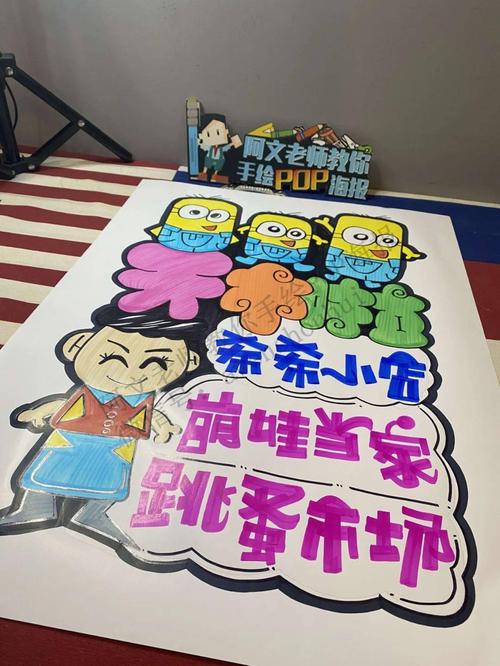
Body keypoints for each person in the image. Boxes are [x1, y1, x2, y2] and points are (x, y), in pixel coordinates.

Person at [0, 305, 202, 549]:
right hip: (69, 443)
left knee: (108, 484)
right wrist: (38, 411)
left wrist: (164, 427)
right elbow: (62, 404)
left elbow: (153, 417)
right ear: (77, 346)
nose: (131, 373)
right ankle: (34, 509)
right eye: (111, 357)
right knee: (45, 474)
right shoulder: (86, 393)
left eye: (156, 362)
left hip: (115, 450)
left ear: (190, 361)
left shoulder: (142, 401)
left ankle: (91, 515)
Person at [197, 113, 242, 183]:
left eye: (218, 133)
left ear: (226, 132)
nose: (214, 138)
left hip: (219, 160)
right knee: (207, 165)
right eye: (208, 134)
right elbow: (203, 146)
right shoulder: (209, 147)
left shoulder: (221, 148)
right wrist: (198, 142)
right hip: (209, 158)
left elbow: (227, 147)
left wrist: (233, 143)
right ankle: (204, 173)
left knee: (218, 167)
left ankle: (215, 175)